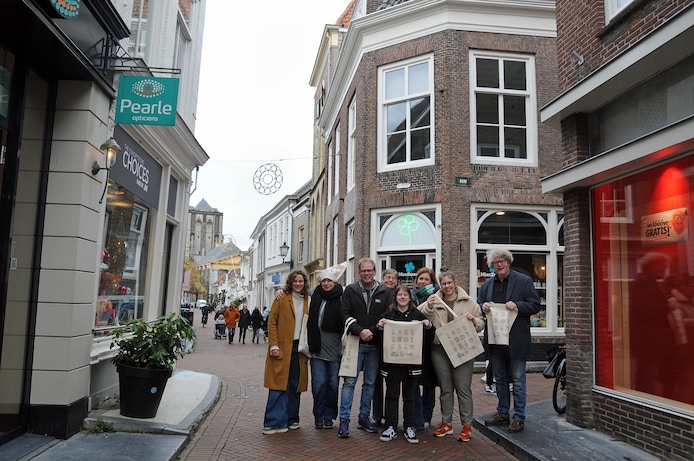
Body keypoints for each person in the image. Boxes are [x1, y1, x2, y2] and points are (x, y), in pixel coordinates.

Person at [478, 248, 541, 433]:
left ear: (508, 262)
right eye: (496, 262)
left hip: (516, 340)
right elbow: (479, 303)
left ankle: (519, 417)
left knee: (519, 380)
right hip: (496, 340)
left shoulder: (523, 281)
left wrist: (518, 306)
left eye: (502, 261)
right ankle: (503, 413)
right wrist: (484, 307)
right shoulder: (487, 286)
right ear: (492, 266)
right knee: (500, 379)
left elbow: (535, 304)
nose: (499, 264)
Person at [420, 269, 484, 442]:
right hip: (440, 348)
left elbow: (481, 323)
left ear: (455, 283)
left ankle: (466, 425)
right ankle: (446, 423)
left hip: (462, 348)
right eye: (444, 283)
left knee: (463, 388)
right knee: (445, 388)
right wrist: (429, 306)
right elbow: (420, 315)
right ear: (440, 284)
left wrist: (474, 321)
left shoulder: (469, 301)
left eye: (449, 283)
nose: (447, 286)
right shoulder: (434, 299)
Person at [337, 258, 393, 438]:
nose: (367, 273)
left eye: (369, 270)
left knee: (369, 384)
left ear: (375, 272)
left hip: (375, 345)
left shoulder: (384, 292)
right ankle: (344, 421)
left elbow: (387, 315)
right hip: (354, 343)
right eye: (363, 271)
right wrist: (360, 331)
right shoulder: (350, 291)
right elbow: (344, 314)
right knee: (349, 383)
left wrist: (373, 331)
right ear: (359, 273)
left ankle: (364, 417)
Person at [376, 285, 435, 444]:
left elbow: (430, 335)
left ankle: (409, 426)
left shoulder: (417, 314)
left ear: (410, 297)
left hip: (411, 364)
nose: (402, 297)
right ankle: (391, 427)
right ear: (395, 297)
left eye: (405, 295)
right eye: (399, 295)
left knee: (410, 396)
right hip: (392, 364)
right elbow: (377, 337)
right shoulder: (388, 315)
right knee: (391, 395)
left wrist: (428, 326)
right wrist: (380, 327)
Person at [262, 270, 310, 434]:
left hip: (300, 349)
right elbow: (272, 322)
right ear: (290, 282)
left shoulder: (307, 300)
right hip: (283, 347)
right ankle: (273, 422)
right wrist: (273, 345)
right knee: (278, 384)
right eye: (295, 281)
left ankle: (291, 419)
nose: (298, 284)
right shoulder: (281, 298)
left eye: (301, 281)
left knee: (295, 385)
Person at [307, 262, 347, 429]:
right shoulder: (314, 294)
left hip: (335, 348)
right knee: (318, 384)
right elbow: (295, 291)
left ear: (335, 282)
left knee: (332, 384)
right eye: (324, 281)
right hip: (317, 347)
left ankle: (329, 415)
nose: (326, 283)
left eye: (330, 281)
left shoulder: (342, 296)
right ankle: (319, 415)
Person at [411, 267, 440, 431]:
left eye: (426, 279)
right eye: (420, 279)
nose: (422, 282)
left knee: (429, 384)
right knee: (413, 383)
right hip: (414, 346)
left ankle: (426, 416)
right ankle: (417, 418)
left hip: (430, 346)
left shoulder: (437, 297)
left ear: (432, 281)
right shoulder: (410, 297)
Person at [372, 268, 399, 427]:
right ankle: (377, 415)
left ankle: (390, 416)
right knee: (376, 382)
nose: (390, 280)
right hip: (378, 343)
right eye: (388, 277)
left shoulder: (401, 295)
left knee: (391, 383)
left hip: (393, 345)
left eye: (393, 278)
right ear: (382, 279)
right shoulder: (378, 294)